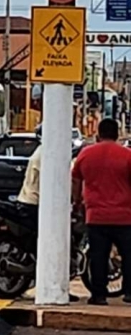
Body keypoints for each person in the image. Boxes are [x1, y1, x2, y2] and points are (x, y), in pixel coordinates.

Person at [72, 118, 131, 305]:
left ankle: (99, 295)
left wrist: (77, 203)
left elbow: (75, 180)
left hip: (95, 216)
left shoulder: (86, 154)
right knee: (129, 256)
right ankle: (129, 292)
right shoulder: (127, 155)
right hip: (125, 216)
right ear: (118, 135)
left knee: (98, 257)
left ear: (98, 134)